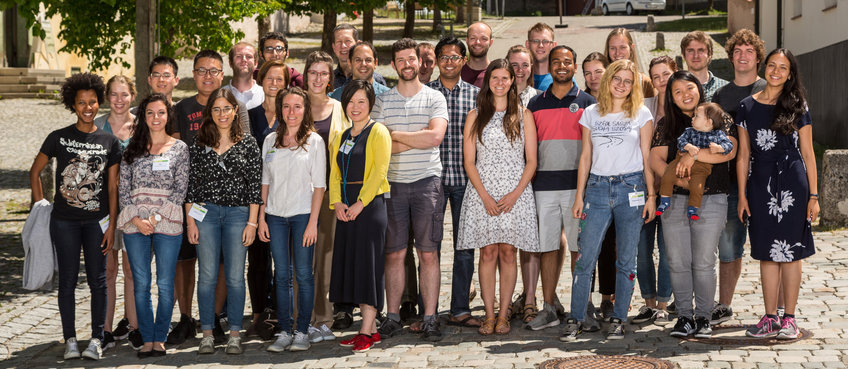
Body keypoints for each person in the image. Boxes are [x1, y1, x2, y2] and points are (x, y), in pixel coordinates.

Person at [560, 59, 656, 341]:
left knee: (626, 259)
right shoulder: (591, 113)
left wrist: (651, 196)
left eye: (628, 81)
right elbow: (586, 157)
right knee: (585, 258)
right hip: (597, 190)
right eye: (617, 79)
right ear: (608, 80)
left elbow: (647, 157)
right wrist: (579, 195)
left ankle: (619, 318)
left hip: (632, 188)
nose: (622, 85)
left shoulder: (641, 114)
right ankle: (576, 317)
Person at [29, 73, 121, 360]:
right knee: (67, 280)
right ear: (73, 104)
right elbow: (34, 173)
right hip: (64, 222)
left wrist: (111, 226)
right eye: (81, 103)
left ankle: (96, 339)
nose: (87, 107)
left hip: (97, 223)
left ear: (99, 102)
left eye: (92, 102)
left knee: (98, 281)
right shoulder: (58, 137)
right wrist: (40, 206)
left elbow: (113, 188)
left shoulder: (110, 141)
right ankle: (70, 339)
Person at [171, 50, 250, 344]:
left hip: (227, 202)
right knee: (186, 261)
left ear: (222, 74)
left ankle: (214, 317)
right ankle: (185, 318)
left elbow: (245, 150)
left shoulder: (235, 106)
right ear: (193, 73)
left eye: (214, 71)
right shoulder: (181, 108)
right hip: (190, 197)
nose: (208, 76)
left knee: (221, 264)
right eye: (202, 70)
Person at [738, 48, 817, 339]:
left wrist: (814, 196)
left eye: (782, 68)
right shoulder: (746, 106)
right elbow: (743, 156)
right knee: (766, 253)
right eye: (771, 65)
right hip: (760, 184)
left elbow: (808, 154)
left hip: (794, 184)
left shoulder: (798, 104)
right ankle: (769, 317)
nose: (775, 71)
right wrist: (743, 196)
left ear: (790, 74)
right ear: (764, 67)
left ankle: (790, 319)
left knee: (791, 253)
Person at [652, 70, 737, 339]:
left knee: (703, 261)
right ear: (672, 98)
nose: (684, 95)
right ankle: (684, 318)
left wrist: (692, 157)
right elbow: (656, 161)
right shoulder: (667, 124)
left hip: (712, 198)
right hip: (675, 199)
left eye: (689, 88)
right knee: (677, 260)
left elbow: (728, 153)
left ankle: (703, 317)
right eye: (677, 92)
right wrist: (685, 178)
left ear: (699, 89)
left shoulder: (719, 116)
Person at [456, 59, 539, 336]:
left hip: (515, 193)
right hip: (483, 192)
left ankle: (504, 315)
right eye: (496, 78)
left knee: (508, 252)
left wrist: (515, 194)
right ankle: (488, 315)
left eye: (506, 78)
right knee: (488, 252)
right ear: (487, 81)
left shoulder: (524, 114)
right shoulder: (475, 115)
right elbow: (469, 162)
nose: (501, 83)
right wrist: (485, 197)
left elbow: (531, 161)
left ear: (512, 81)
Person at [374, 38, 449, 342]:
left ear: (420, 62)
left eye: (411, 59)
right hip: (391, 186)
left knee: (428, 253)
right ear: (393, 65)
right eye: (401, 60)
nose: (407, 64)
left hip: (426, 184)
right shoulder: (382, 101)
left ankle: (430, 317)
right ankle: (392, 316)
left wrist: (395, 136)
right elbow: (380, 147)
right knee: (394, 254)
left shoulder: (434, 98)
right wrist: (414, 136)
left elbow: (434, 138)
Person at [185, 88, 262, 355]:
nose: (222, 114)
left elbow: (254, 187)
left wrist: (252, 223)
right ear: (210, 113)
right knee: (206, 276)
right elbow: (191, 187)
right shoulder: (200, 142)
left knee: (234, 277)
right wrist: (190, 222)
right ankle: (207, 332)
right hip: (205, 214)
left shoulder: (249, 143)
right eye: (216, 109)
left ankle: (234, 335)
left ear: (235, 111)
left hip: (238, 215)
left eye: (226, 109)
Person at [525, 45, 596, 331]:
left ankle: (583, 306)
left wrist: (585, 187)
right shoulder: (535, 104)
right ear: (549, 66)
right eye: (557, 62)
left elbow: (591, 150)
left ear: (574, 67)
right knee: (548, 248)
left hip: (577, 188)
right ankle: (549, 306)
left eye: (568, 62)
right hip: (543, 186)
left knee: (580, 249)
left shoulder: (588, 102)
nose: (562, 66)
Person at [118, 93, 189, 358]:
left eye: (161, 112)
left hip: (168, 224)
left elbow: (179, 190)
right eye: (150, 113)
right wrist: (137, 219)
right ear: (143, 116)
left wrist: (156, 219)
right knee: (141, 283)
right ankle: (146, 338)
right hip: (135, 224)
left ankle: (159, 339)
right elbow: (124, 191)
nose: (155, 118)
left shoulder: (180, 149)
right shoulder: (131, 150)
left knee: (165, 283)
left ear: (168, 115)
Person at [259, 88, 326, 352]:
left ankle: (301, 332)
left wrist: (312, 222)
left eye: (297, 106)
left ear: (305, 109)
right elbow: (264, 182)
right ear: (280, 109)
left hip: (302, 217)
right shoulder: (269, 141)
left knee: (304, 275)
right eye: (286, 106)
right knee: (282, 275)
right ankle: (285, 331)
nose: (291, 112)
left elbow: (319, 186)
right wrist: (262, 218)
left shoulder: (314, 142)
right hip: (275, 216)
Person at [329, 80, 392, 352]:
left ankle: (366, 330)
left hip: (369, 209)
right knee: (352, 267)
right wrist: (337, 203)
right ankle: (370, 329)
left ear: (370, 104)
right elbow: (334, 174)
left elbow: (379, 172)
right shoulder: (341, 136)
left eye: (361, 102)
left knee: (368, 268)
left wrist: (359, 203)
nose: (355, 107)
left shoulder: (378, 132)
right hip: (345, 210)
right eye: (350, 102)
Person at [711, 28, 767, 325]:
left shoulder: (770, 88)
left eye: (749, 51)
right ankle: (724, 304)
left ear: (758, 57)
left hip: (768, 180)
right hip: (731, 182)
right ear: (731, 56)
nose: (743, 56)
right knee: (729, 243)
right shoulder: (721, 95)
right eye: (737, 51)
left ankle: (778, 308)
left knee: (772, 244)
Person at [426, 36, 482, 328]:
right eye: (444, 57)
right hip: (431, 182)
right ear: (436, 61)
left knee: (465, 248)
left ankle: (460, 307)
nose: (449, 62)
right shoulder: (425, 94)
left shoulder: (476, 96)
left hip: (465, 182)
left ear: (464, 61)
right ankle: (429, 312)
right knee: (429, 247)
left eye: (455, 57)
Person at [302, 51, 350, 339]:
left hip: (330, 194)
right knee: (300, 258)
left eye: (324, 73)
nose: (318, 78)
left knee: (325, 257)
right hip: (297, 195)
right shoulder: (295, 106)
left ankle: (323, 318)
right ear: (305, 75)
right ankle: (298, 317)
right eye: (313, 72)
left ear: (330, 78)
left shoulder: (340, 109)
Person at [244, 59, 290, 341]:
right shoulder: (248, 115)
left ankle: (283, 312)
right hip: (257, 197)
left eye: (280, 79)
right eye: (269, 78)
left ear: (287, 83)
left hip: (287, 194)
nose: (274, 83)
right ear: (261, 81)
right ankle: (259, 315)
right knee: (258, 260)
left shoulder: (293, 113)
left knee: (285, 259)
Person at [93, 75, 139, 350]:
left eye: (124, 94)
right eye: (114, 94)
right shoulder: (96, 125)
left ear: (132, 96)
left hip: (133, 206)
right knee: (107, 270)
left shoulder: (142, 125)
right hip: (102, 207)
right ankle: (105, 330)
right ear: (107, 97)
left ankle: (134, 327)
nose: (119, 100)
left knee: (132, 270)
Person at [632, 55, 678, 326]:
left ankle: (663, 303)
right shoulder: (643, 106)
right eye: (656, 76)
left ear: (675, 73)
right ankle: (648, 302)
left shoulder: (683, 105)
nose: (661, 81)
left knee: (668, 249)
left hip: (672, 190)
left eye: (666, 74)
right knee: (641, 248)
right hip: (642, 187)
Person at [656, 102, 734, 220]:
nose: (692, 118)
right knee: (667, 175)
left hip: (702, 168)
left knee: (697, 186)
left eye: (696, 116)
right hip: (680, 162)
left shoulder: (718, 134)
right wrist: (688, 147)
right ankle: (665, 200)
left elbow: (729, 146)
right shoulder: (689, 131)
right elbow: (680, 142)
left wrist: (719, 148)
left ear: (709, 122)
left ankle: (693, 208)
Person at [332, 24, 387, 89]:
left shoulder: (377, 80)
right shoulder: (327, 80)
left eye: (348, 41)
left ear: (358, 44)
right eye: (339, 42)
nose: (343, 46)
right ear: (334, 47)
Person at [604, 28, 655, 98]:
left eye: (622, 47)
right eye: (613, 48)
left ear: (631, 48)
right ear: (608, 49)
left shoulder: (644, 82)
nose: (617, 53)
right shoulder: (601, 80)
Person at [681, 31, 728, 101]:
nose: (695, 56)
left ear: (710, 54)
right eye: (690, 51)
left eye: (701, 51)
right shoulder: (676, 88)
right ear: (683, 55)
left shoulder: (725, 88)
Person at [222, 42, 264, 110]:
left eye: (249, 56)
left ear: (256, 63)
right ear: (230, 63)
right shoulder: (220, 95)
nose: (244, 59)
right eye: (238, 56)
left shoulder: (265, 95)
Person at [525, 23, 557, 92]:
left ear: (553, 45)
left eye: (545, 41)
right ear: (527, 44)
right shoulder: (520, 76)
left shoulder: (563, 78)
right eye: (536, 41)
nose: (540, 45)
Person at [462, 22, 493, 87]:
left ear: (490, 42)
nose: (477, 42)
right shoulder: (456, 74)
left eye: (483, 39)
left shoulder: (497, 73)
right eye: (473, 38)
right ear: (467, 41)